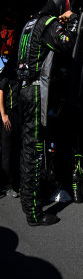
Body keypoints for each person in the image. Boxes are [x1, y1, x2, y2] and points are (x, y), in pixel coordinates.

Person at [16, 0, 78, 226]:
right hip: (34, 92)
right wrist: (71, 21)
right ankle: (34, 213)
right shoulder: (48, 22)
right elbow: (66, 44)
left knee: (26, 150)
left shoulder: (28, 24)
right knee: (33, 151)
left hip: (21, 90)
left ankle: (28, 201)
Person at [0, 53, 20, 198]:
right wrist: (3, 115)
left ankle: (15, 183)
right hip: (7, 114)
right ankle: (7, 185)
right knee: (7, 151)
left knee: (17, 149)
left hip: (18, 115)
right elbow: (0, 92)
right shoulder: (7, 71)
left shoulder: (20, 73)